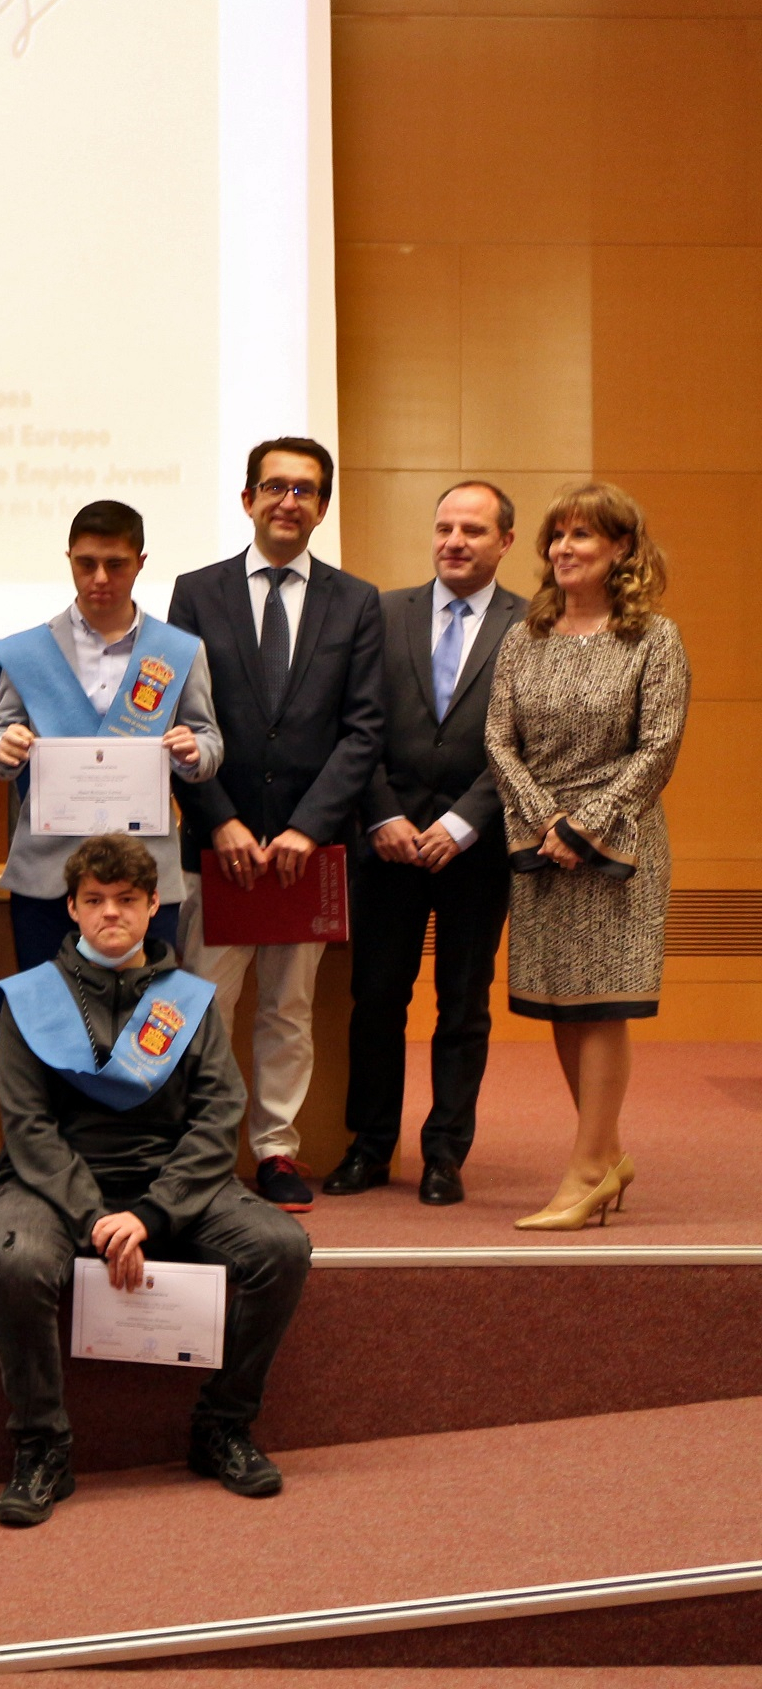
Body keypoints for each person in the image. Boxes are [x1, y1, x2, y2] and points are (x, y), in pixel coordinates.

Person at [0, 835, 312, 1526]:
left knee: (281, 1249)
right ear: (71, 907)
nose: (112, 914)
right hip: (53, 1183)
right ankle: (42, 1447)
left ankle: (222, 1426)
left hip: (169, 1179)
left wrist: (153, 1214)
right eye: (95, 901)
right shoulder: (29, 998)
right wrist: (95, 1215)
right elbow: (28, 1128)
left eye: (127, 901)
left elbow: (220, 1113)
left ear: (154, 905)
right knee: (19, 1264)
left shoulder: (189, 1001)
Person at [165, 438, 385, 1211]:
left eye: (305, 489)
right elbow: (181, 720)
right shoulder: (196, 593)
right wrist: (219, 819)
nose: (289, 500)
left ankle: (277, 1150)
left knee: (287, 1010)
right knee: (205, 1004)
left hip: (305, 853)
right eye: (275, 486)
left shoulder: (357, 602)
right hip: (216, 847)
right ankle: (206, 1146)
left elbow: (363, 730)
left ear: (322, 506)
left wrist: (307, 827)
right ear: (248, 499)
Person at [483, 484, 689, 1231]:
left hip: (618, 849)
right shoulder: (524, 634)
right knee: (561, 1006)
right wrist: (548, 823)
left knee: (603, 1006)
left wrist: (586, 826)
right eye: (558, 535)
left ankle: (585, 1168)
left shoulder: (653, 639)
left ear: (622, 550)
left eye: (585, 536)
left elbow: (658, 746)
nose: (566, 549)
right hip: (540, 846)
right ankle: (606, 1157)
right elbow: (499, 741)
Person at [328, 482, 529, 1207]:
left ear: (505, 541)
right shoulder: (383, 612)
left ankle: (445, 1153)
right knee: (376, 999)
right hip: (385, 843)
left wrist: (463, 821)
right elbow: (358, 723)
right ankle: (369, 1147)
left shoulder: (533, 626)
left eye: (473, 529)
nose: (454, 540)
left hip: (476, 846)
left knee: (463, 1004)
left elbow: (530, 742)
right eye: (445, 526)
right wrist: (380, 813)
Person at [0, 500, 222, 970]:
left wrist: (195, 751)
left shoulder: (178, 650)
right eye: (85, 564)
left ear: (140, 563)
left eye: (116, 565)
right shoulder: (29, 650)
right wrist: (4, 748)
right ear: (69, 558)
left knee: (144, 1022)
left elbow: (209, 741)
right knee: (46, 1017)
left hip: (144, 872)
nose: (99, 578)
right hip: (47, 873)